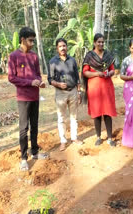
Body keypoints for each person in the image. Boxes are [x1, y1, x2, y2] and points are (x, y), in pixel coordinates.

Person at [8, 27, 48, 171]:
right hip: (23, 98)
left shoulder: (34, 56)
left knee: (35, 126)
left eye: (33, 40)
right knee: (24, 128)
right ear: (23, 39)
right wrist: (29, 82)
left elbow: (37, 74)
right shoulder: (13, 56)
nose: (32, 43)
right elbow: (11, 77)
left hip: (35, 96)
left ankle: (35, 152)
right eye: (30, 40)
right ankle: (24, 158)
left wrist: (39, 82)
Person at [48, 38, 83, 151]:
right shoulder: (53, 61)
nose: (63, 48)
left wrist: (79, 91)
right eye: (60, 46)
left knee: (74, 117)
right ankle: (63, 141)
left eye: (64, 46)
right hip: (60, 94)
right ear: (57, 48)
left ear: (67, 47)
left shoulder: (72, 60)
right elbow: (50, 79)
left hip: (73, 91)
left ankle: (74, 138)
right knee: (61, 118)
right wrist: (58, 84)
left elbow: (77, 77)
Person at [82, 33, 117, 147]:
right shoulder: (89, 56)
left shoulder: (108, 55)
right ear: (94, 43)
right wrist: (97, 73)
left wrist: (109, 73)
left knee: (107, 113)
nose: (101, 44)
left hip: (107, 87)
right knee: (97, 113)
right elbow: (85, 72)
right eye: (99, 42)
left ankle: (110, 137)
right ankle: (98, 137)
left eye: (102, 42)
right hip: (94, 89)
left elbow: (113, 70)